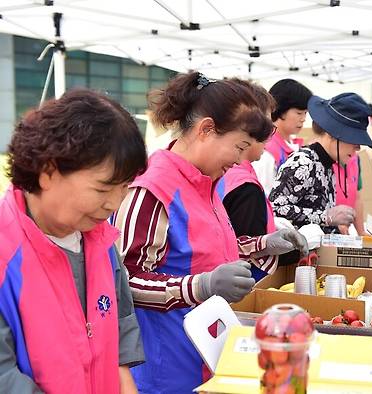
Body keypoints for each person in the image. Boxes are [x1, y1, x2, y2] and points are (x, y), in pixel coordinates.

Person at [113, 72, 308, 393]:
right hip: (166, 366)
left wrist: (262, 245)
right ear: (206, 130)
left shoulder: (206, 181)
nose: (241, 158)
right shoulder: (152, 189)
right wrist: (199, 287)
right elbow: (125, 282)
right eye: (239, 146)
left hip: (206, 351)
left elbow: (207, 252)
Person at [0, 89, 147, 393]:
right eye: (103, 189)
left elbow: (119, 321)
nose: (114, 204)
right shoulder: (5, 254)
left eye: (125, 188)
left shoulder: (100, 240)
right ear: (48, 171)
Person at [217, 82, 300, 281]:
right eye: (264, 127)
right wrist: (294, 251)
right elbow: (246, 258)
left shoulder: (226, 174)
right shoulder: (244, 187)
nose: (268, 136)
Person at [269, 92, 372, 233]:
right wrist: (325, 217)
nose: (358, 147)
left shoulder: (327, 164)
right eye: (353, 140)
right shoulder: (303, 162)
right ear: (333, 133)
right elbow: (274, 208)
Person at [252, 78, 313, 196]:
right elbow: (265, 196)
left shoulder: (295, 145)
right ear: (281, 110)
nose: (303, 119)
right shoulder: (266, 151)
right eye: (299, 113)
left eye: (306, 113)